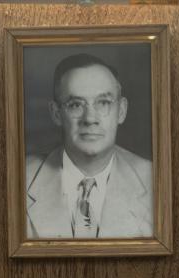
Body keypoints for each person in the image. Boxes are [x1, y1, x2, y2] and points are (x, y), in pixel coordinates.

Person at [25, 54, 153, 240]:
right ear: (56, 114)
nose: (90, 119)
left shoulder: (157, 182)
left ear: (122, 111)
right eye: (76, 104)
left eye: (103, 103)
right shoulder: (18, 181)